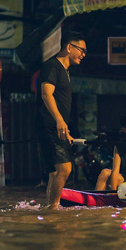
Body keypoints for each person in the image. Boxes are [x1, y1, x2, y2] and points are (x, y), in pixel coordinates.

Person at [36, 31, 87, 209]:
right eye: (82, 50)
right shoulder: (52, 67)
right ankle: (54, 208)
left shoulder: (64, 71)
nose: (83, 54)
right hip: (49, 125)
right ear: (69, 47)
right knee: (64, 169)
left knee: (54, 173)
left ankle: (51, 209)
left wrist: (65, 129)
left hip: (57, 127)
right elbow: (46, 93)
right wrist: (59, 120)